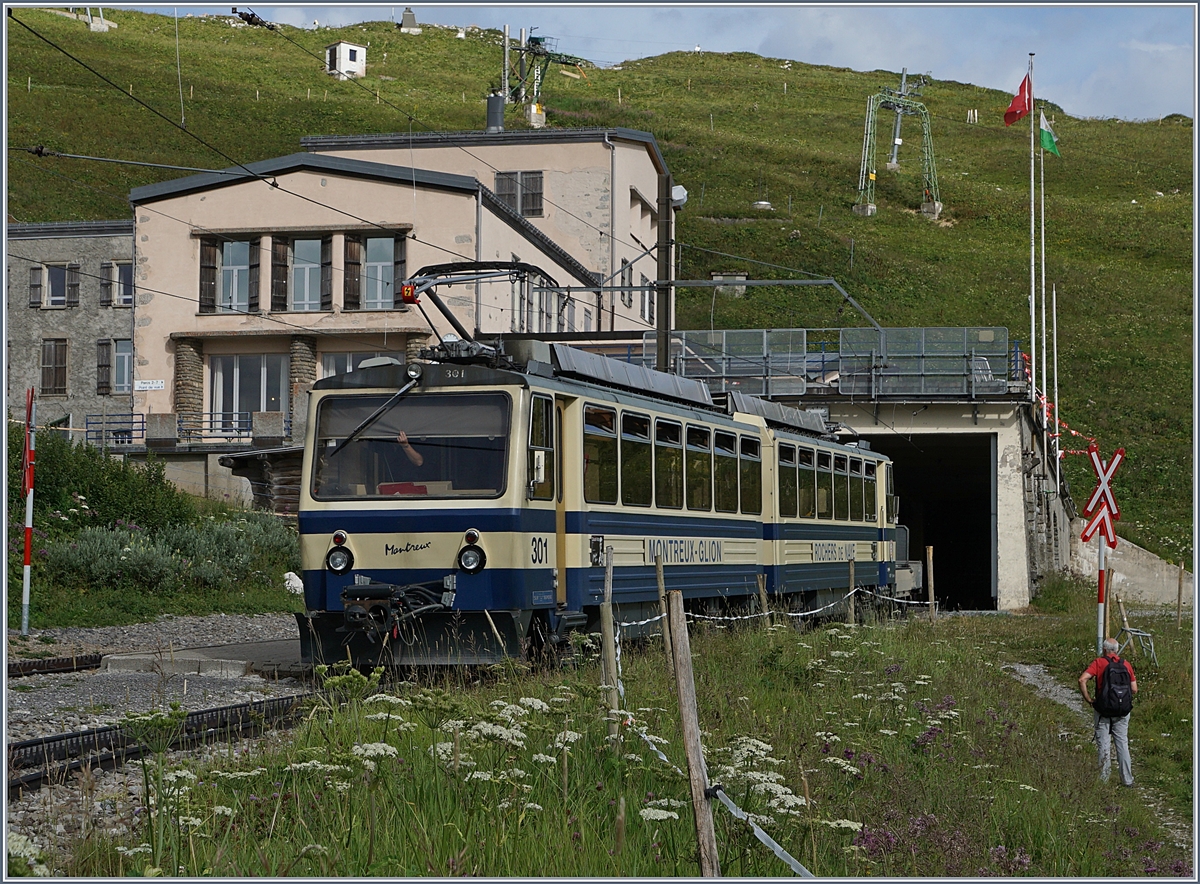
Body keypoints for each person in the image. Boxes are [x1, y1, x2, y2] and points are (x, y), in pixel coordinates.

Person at [1078, 637, 1137, 787]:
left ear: (1104, 650)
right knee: (1122, 744)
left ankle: (1103, 782)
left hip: (1103, 710)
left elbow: (1082, 680)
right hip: (1122, 711)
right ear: (1117, 650)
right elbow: (1134, 689)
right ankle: (1127, 780)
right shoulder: (1126, 664)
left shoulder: (1099, 663)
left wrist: (1089, 699)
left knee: (1104, 745)